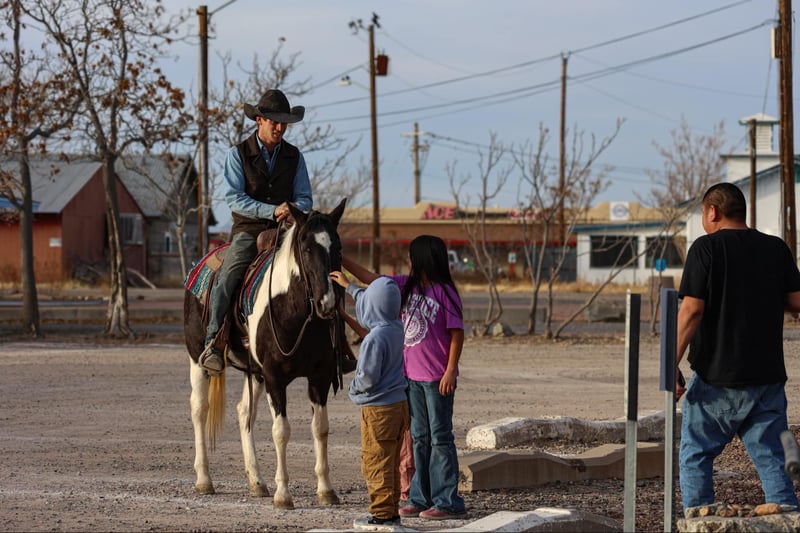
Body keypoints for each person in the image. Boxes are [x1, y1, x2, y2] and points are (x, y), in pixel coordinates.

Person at [676, 182, 800, 515]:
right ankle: (787, 517)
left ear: (712, 211)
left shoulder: (705, 249)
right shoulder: (776, 248)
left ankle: (699, 518)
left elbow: (692, 310)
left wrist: (669, 363)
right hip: (768, 378)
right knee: (772, 455)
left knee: (696, 452)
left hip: (718, 376)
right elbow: (796, 301)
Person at [342, 234, 467, 521]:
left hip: (437, 379)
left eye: (412, 257)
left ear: (424, 258)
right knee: (419, 438)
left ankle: (448, 501)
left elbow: (457, 333)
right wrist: (342, 263)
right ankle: (420, 497)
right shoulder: (404, 286)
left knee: (440, 438)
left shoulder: (445, 292)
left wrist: (450, 370)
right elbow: (373, 281)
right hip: (410, 378)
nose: (409, 261)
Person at [199, 89, 312, 375]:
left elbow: (305, 197)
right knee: (229, 275)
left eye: (284, 122)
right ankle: (214, 341)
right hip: (249, 230)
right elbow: (234, 199)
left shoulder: (295, 157)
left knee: (320, 265)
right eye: (274, 121)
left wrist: (294, 209)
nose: (280, 128)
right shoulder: (237, 155)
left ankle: (332, 345)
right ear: (259, 120)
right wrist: (272, 211)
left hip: (287, 230)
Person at [329, 271, 409, 528]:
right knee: (391, 460)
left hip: (378, 410)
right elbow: (375, 300)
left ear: (372, 307)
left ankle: (382, 514)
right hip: (399, 405)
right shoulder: (396, 328)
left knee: (376, 461)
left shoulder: (374, 339)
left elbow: (368, 377)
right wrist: (350, 287)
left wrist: (354, 389)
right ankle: (391, 510)